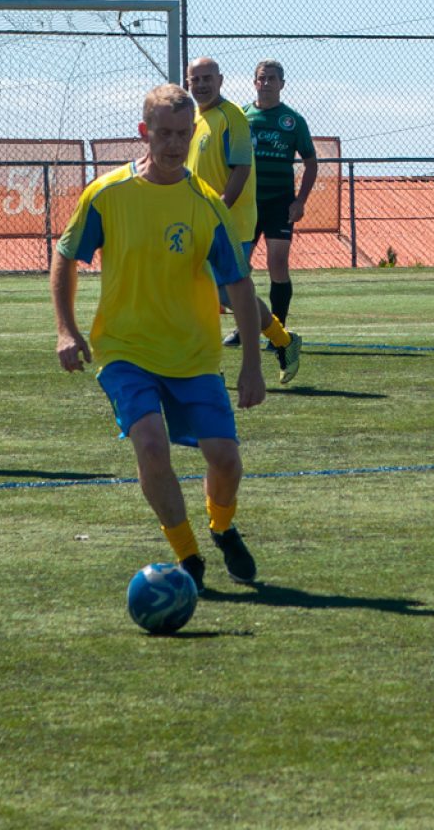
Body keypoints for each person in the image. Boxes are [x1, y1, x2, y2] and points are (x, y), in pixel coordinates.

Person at [51, 83, 266, 592]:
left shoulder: (207, 205)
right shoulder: (107, 194)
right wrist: (66, 328)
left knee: (225, 460)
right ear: (144, 133)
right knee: (150, 446)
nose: (172, 144)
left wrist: (252, 362)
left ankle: (221, 526)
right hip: (125, 349)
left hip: (193, 353)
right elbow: (66, 255)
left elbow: (238, 283)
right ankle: (188, 556)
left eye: (182, 135)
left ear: (193, 135)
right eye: (163, 133)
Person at [185, 56, 302, 384]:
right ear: (188, 84)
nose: (202, 84)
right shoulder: (195, 119)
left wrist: (218, 212)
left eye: (208, 77)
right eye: (196, 79)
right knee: (220, 294)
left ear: (221, 80)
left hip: (229, 224)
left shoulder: (232, 117)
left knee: (221, 293)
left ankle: (213, 365)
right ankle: (282, 340)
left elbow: (241, 169)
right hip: (201, 223)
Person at [239, 58, 317, 333]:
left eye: (272, 78)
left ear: (282, 84)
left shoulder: (293, 121)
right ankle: (246, 325)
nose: (267, 83)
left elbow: (311, 162)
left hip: (279, 202)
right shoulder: (241, 116)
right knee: (239, 266)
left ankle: (278, 329)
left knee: (278, 262)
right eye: (262, 78)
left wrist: (300, 201)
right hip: (245, 203)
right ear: (254, 82)